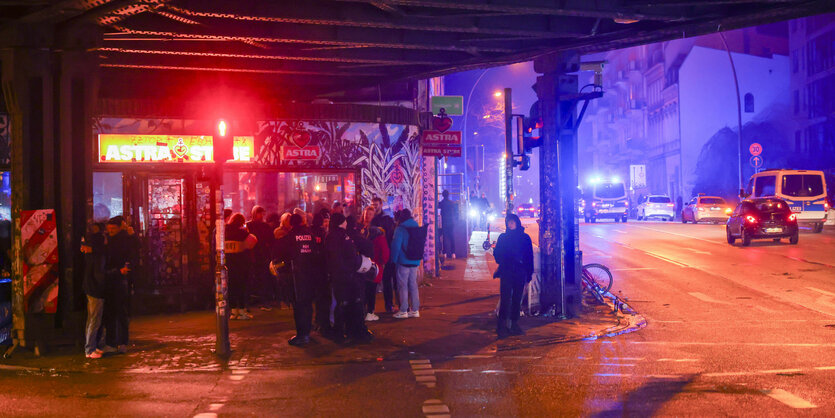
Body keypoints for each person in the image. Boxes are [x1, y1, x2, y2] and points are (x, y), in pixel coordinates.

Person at [324, 213, 372, 343]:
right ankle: (350, 331)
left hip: (340, 276)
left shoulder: (332, 236)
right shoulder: (343, 236)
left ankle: (345, 331)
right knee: (350, 303)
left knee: (343, 303)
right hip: (347, 275)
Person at [275, 214, 317, 346]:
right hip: (310, 276)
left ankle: (301, 335)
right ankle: (307, 332)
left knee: (298, 306)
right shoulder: (311, 236)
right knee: (308, 305)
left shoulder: (289, 238)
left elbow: (280, 256)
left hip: (296, 278)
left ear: (291, 224)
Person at [492, 213, 534, 339]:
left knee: (517, 299)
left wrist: (529, 274)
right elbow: (497, 253)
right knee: (505, 298)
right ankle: (501, 324)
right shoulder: (503, 237)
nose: (510, 225)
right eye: (508, 222)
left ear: (517, 222)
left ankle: (514, 324)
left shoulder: (525, 238)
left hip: (520, 272)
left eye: (512, 222)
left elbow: (529, 257)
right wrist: (503, 260)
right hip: (507, 271)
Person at [102, 217, 137, 354]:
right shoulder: (109, 239)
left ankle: (120, 342)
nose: (110, 231)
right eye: (109, 229)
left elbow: (136, 247)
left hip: (119, 279)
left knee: (120, 312)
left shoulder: (124, 239)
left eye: (113, 229)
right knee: (112, 313)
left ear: (119, 228)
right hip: (113, 278)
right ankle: (115, 342)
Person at [359, 206, 390, 321]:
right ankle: (367, 311)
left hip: (372, 264)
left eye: (370, 214)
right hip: (363, 263)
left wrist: (382, 262)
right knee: (366, 289)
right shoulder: (360, 229)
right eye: (367, 214)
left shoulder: (375, 232)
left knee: (370, 289)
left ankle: (368, 311)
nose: (368, 216)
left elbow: (384, 251)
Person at [390, 209, 422, 319]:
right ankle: (415, 310)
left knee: (403, 285)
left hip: (403, 261)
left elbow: (396, 246)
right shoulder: (416, 227)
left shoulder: (400, 229)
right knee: (413, 284)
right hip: (415, 261)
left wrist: (393, 260)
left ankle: (403, 310)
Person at [81, 223, 107, 359]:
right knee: (94, 320)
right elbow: (99, 275)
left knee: (91, 319)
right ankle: (90, 349)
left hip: (90, 288)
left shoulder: (90, 254)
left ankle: (91, 347)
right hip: (96, 290)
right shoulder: (99, 257)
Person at [226, 213, 257, 320]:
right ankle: (243, 312)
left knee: (231, 287)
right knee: (242, 287)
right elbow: (253, 241)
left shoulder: (224, 232)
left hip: (228, 264)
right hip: (241, 264)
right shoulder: (242, 232)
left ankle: (233, 312)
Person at [247, 206, 277, 310]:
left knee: (261, 279)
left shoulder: (250, 225)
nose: (262, 216)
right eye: (261, 213)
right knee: (262, 279)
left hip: (257, 255)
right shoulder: (262, 226)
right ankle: (263, 301)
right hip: (259, 255)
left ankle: (261, 301)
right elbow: (271, 241)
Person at [310, 211, 333, 335]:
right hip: (323, 271)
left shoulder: (309, 233)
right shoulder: (324, 234)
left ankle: (317, 321)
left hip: (314, 271)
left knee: (318, 299)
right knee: (324, 298)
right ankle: (323, 323)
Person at [438, 190, 459, 259]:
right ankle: (453, 253)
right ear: (448, 195)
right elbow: (456, 212)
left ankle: (445, 253)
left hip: (444, 223)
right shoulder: (451, 203)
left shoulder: (442, 203)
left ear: (443, 195)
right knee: (452, 238)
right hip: (451, 222)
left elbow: (437, 205)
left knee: (444, 238)